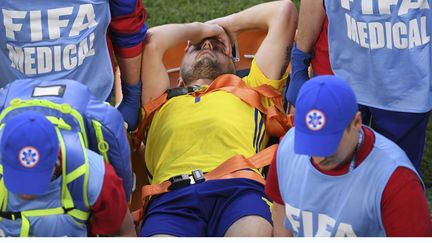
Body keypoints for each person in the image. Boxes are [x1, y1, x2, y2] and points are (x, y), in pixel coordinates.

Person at [138, 0, 297, 237]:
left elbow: (284, 11)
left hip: (239, 190)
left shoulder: (253, 88)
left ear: (234, 65)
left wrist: (225, 26)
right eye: (196, 47)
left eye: (218, 47)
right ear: (178, 77)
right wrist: (203, 30)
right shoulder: (159, 100)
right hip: (171, 199)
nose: (208, 45)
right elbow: (153, 41)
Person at [266, 75, 432, 237]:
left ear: (357, 123)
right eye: (309, 143)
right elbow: (280, 209)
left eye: (329, 144)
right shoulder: (288, 147)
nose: (319, 157)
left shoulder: (397, 181)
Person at [286, 0, 432, 174]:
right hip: (341, 70)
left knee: (394, 175)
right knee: (329, 167)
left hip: (406, 82)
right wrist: (300, 60)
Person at [0, 0, 148, 131]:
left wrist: (132, 95)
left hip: (90, 103)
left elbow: (127, 24)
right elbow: (127, 26)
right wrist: (131, 93)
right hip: (12, 104)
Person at [0, 111, 136, 237]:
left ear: (56, 157)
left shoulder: (95, 176)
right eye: (20, 177)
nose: (26, 191)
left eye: (37, 177)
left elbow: (123, 232)